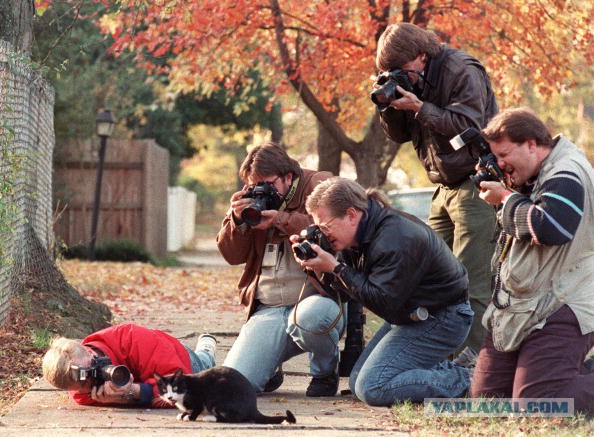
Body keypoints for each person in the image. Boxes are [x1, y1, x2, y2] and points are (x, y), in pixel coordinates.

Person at [291, 176, 473, 406]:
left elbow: (382, 303)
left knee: (374, 387)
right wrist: (318, 265)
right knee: (359, 383)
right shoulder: (356, 237)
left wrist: (337, 268)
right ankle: (446, 368)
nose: (323, 234)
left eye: (325, 227)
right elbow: (348, 294)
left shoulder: (396, 237)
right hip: (409, 315)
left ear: (351, 214)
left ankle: (467, 379)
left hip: (443, 318)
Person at [375, 22, 498, 356]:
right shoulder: (413, 75)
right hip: (442, 188)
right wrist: (388, 105)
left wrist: (419, 107)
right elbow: (399, 136)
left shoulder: (460, 69)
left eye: (400, 70)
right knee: (429, 276)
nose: (398, 75)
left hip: (476, 182)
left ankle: (470, 364)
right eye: (388, 72)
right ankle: (433, 353)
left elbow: (471, 126)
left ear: (421, 55)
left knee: (470, 279)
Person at [470, 107, 594, 413]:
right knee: (488, 406)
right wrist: (511, 189)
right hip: (524, 303)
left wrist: (505, 198)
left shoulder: (566, 173)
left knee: (539, 406)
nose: (499, 164)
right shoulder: (538, 174)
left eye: (503, 155)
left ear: (531, 144)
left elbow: (551, 228)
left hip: (565, 300)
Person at [216, 142, 344, 397]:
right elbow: (232, 256)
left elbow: (334, 227)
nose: (260, 190)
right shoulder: (253, 201)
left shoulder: (318, 184)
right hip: (269, 309)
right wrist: (237, 220)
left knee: (310, 319)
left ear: (288, 177)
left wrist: (280, 219)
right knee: (233, 387)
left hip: (315, 302)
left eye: (267, 183)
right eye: (254, 185)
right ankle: (269, 365)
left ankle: (324, 372)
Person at [42, 323, 217, 407]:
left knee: (206, 367)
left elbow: (181, 390)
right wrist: (119, 398)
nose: (92, 381)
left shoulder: (131, 339)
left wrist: (134, 391)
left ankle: (206, 349)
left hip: (181, 360)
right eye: (84, 386)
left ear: (89, 351)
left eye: (92, 370)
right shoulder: (79, 387)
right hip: (155, 368)